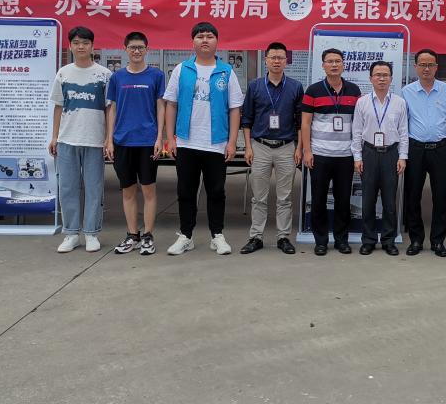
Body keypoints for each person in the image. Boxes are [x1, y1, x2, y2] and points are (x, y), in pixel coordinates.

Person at [163, 22, 244, 257]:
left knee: (216, 191)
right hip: (186, 141)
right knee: (185, 191)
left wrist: (231, 142)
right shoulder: (182, 69)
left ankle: (217, 235)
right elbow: (171, 104)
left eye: (209, 36)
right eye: (200, 36)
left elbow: (235, 109)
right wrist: (170, 138)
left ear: (217, 41)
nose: (205, 40)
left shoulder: (226, 72)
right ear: (193, 42)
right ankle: (185, 236)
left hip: (216, 143)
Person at [49, 25, 111, 253]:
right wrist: (54, 136)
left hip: (94, 140)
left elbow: (109, 109)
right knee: (67, 187)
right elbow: (58, 106)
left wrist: (109, 138)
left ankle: (91, 233)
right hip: (67, 139)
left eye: (85, 43)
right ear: (70, 46)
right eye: (76, 43)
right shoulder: (63, 73)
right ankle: (71, 233)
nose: (81, 46)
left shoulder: (105, 75)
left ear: (93, 46)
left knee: (94, 188)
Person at [103, 31, 166, 256]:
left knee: (148, 189)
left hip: (147, 141)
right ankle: (132, 235)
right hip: (122, 141)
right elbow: (112, 109)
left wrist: (160, 137)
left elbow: (161, 106)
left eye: (140, 47)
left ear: (147, 49)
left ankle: (148, 235)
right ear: (125, 49)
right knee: (128, 191)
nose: (137, 51)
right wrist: (109, 139)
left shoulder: (156, 75)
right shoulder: (117, 77)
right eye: (132, 47)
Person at [239, 42, 304, 255]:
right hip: (260, 146)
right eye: (273, 57)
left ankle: (283, 237)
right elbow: (247, 119)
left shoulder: (295, 87)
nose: (277, 61)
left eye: (280, 58)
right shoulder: (255, 86)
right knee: (259, 197)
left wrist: (299, 148)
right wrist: (248, 147)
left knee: (285, 197)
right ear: (266, 60)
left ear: (286, 61)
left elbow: (300, 121)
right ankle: (256, 237)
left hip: (286, 147)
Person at [301, 48, 361, 256]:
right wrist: (307, 151)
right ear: (323, 65)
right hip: (320, 154)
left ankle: (341, 240)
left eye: (337, 61)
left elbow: (358, 124)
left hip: (345, 155)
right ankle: (321, 241)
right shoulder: (313, 91)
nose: (334, 65)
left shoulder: (353, 90)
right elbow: (305, 123)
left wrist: (357, 153)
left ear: (343, 64)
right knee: (318, 200)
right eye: (330, 61)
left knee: (343, 200)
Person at [351, 61, 408, 256]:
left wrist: (402, 156)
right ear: (371, 78)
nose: (381, 78)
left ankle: (388, 240)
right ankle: (368, 240)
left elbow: (403, 132)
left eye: (385, 75)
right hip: (369, 153)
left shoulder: (399, 102)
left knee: (389, 201)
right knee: (368, 200)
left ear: (391, 78)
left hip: (391, 154)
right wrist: (357, 157)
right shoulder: (362, 102)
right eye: (378, 75)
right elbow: (356, 131)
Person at [401, 48, 446, 257]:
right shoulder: (406, 92)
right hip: (415, 149)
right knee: (412, 195)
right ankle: (416, 239)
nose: (426, 69)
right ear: (415, 67)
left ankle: (438, 241)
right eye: (422, 65)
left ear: (437, 67)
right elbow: (402, 123)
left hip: (441, 148)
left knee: (441, 197)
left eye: (430, 65)